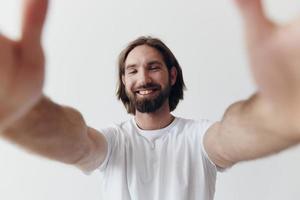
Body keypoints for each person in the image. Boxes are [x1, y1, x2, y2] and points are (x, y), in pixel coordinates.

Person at [0, 0, 300, 199]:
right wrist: (23, 114)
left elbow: (234, 133)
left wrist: (279, 115)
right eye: (132, 70)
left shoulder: (199, 139)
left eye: (153, 67)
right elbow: (76, 142)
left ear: (172, 76)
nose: (143, 78)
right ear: (124, 81)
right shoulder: (113, 143)